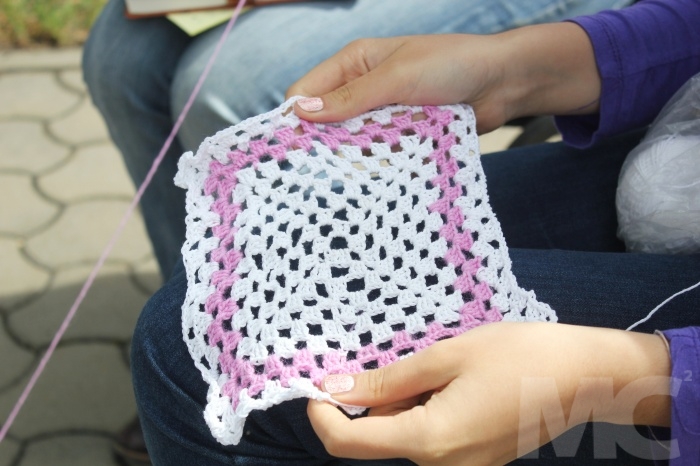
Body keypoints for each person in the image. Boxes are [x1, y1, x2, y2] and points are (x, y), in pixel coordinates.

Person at [130, 0, 700, 463]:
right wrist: (515, 68)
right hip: (677, 162)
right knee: (229, 276)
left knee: (190, 357)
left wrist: (621, 378)